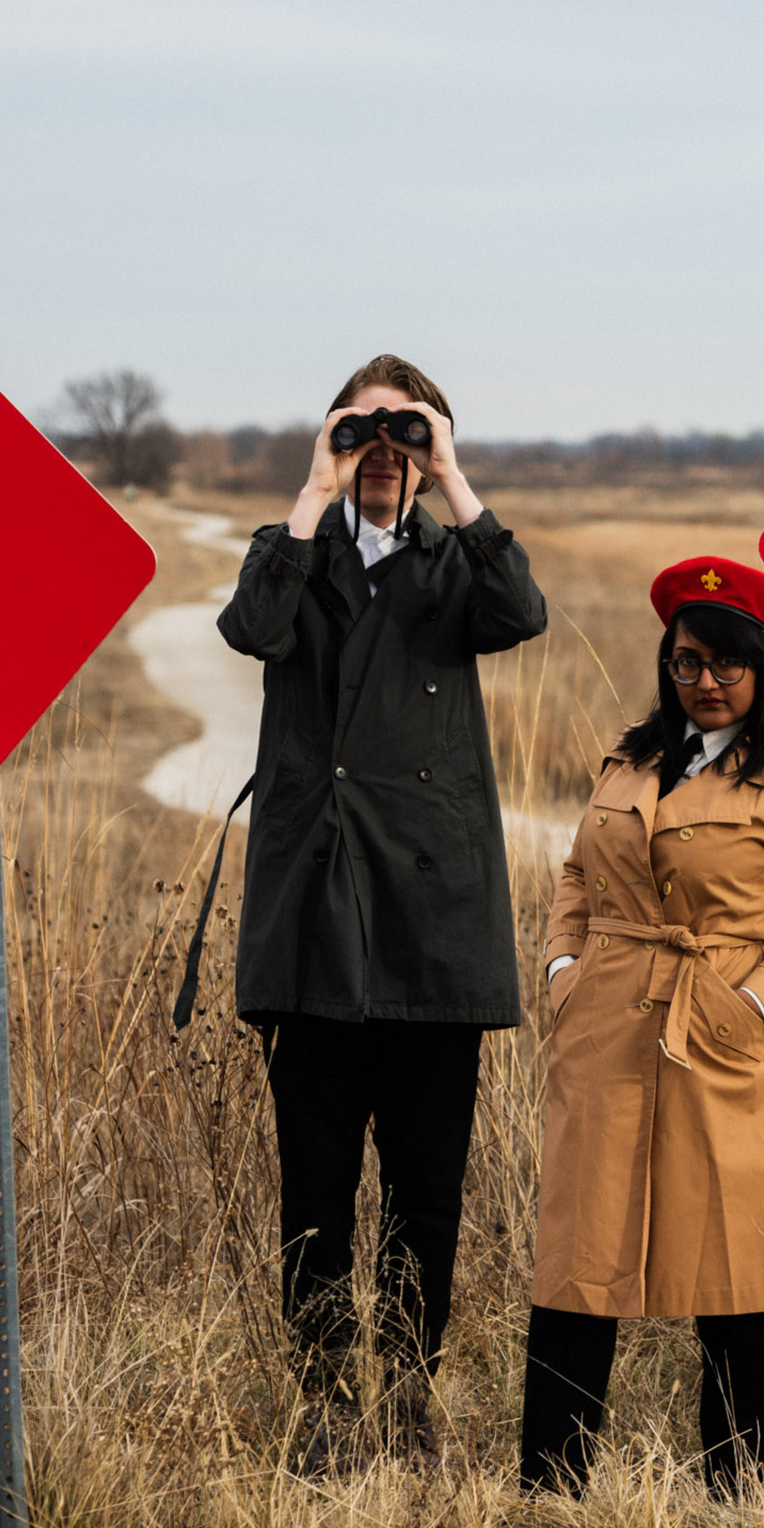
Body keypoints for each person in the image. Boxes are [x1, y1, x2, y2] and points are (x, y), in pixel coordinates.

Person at [214, 354, 547, 1469]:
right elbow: (248, 629)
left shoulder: (457, 564)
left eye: (404, 436)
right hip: (314, 919)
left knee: (425, 1193)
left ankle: (406, 1398)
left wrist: (451, 472)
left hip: (431, 924)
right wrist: (310, 489)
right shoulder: (295, 561)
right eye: (364, 434)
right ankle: (322, 1405)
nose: (383, 453)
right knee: (313, 1189)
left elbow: (522, 611)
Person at [519, 555, 764, 1498]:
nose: (704, 683)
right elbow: (581, 875)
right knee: (579, 1268)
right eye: (685, 663)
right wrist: (562, 970)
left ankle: (736, 1496)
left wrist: (749, 1000)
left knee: (739, 1276)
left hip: (724, 1044)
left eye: (725, 665)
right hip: (606, 1034)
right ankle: (550, 1492)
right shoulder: (630, 759)